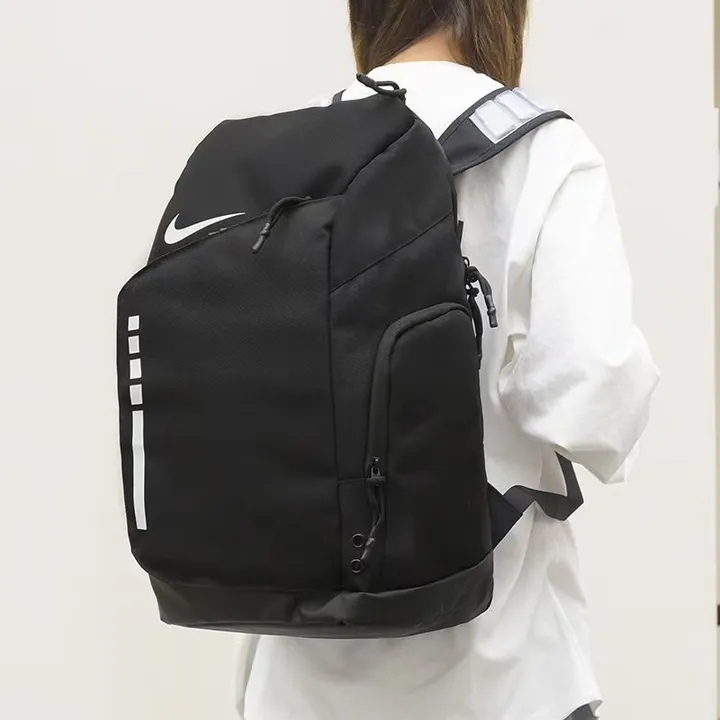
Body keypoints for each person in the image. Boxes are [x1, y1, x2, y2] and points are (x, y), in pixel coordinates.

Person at [233, 2, 659, 719]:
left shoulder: (288, 151)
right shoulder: (542, 150)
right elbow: (593, 401)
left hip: (297, 681)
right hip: (497, 676)